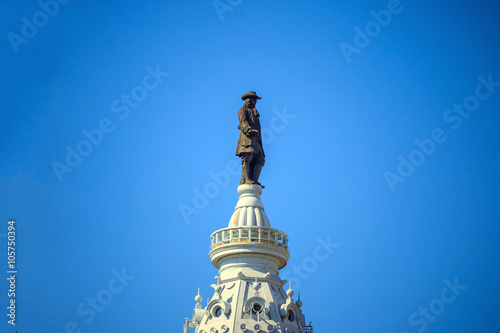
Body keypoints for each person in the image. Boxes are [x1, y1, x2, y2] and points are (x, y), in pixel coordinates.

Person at [235, 91, 265, 187]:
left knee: (260, 159)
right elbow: (243, 122)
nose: (255, 101)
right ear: (249, 100)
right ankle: (247, 180)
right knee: (247, 158)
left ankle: (254, 180)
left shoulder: (255, 112)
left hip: (256, 140)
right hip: (247, 138)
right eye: (254, 99)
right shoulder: (242, 110)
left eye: (256, 100)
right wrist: (249, 129)